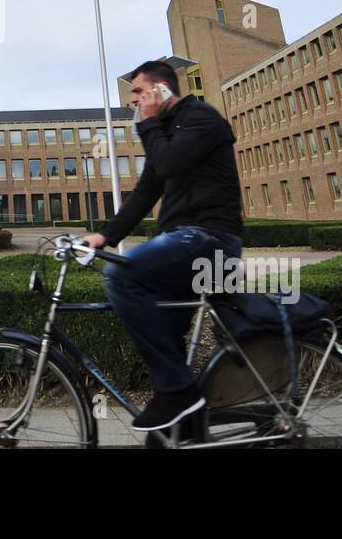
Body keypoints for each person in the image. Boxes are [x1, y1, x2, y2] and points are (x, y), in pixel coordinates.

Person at [81, 60, 243, 433]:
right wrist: (105, 236)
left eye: (138, 92)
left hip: (210, 242)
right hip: (188, 244)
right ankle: (180, 426)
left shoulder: (200, 119)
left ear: (162, 89)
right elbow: (145, 193)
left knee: (121, 277)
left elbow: (168, 165)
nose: (134, 100)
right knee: (162, 339)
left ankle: (179, 394)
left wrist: (147, 123)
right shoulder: (167, 132)